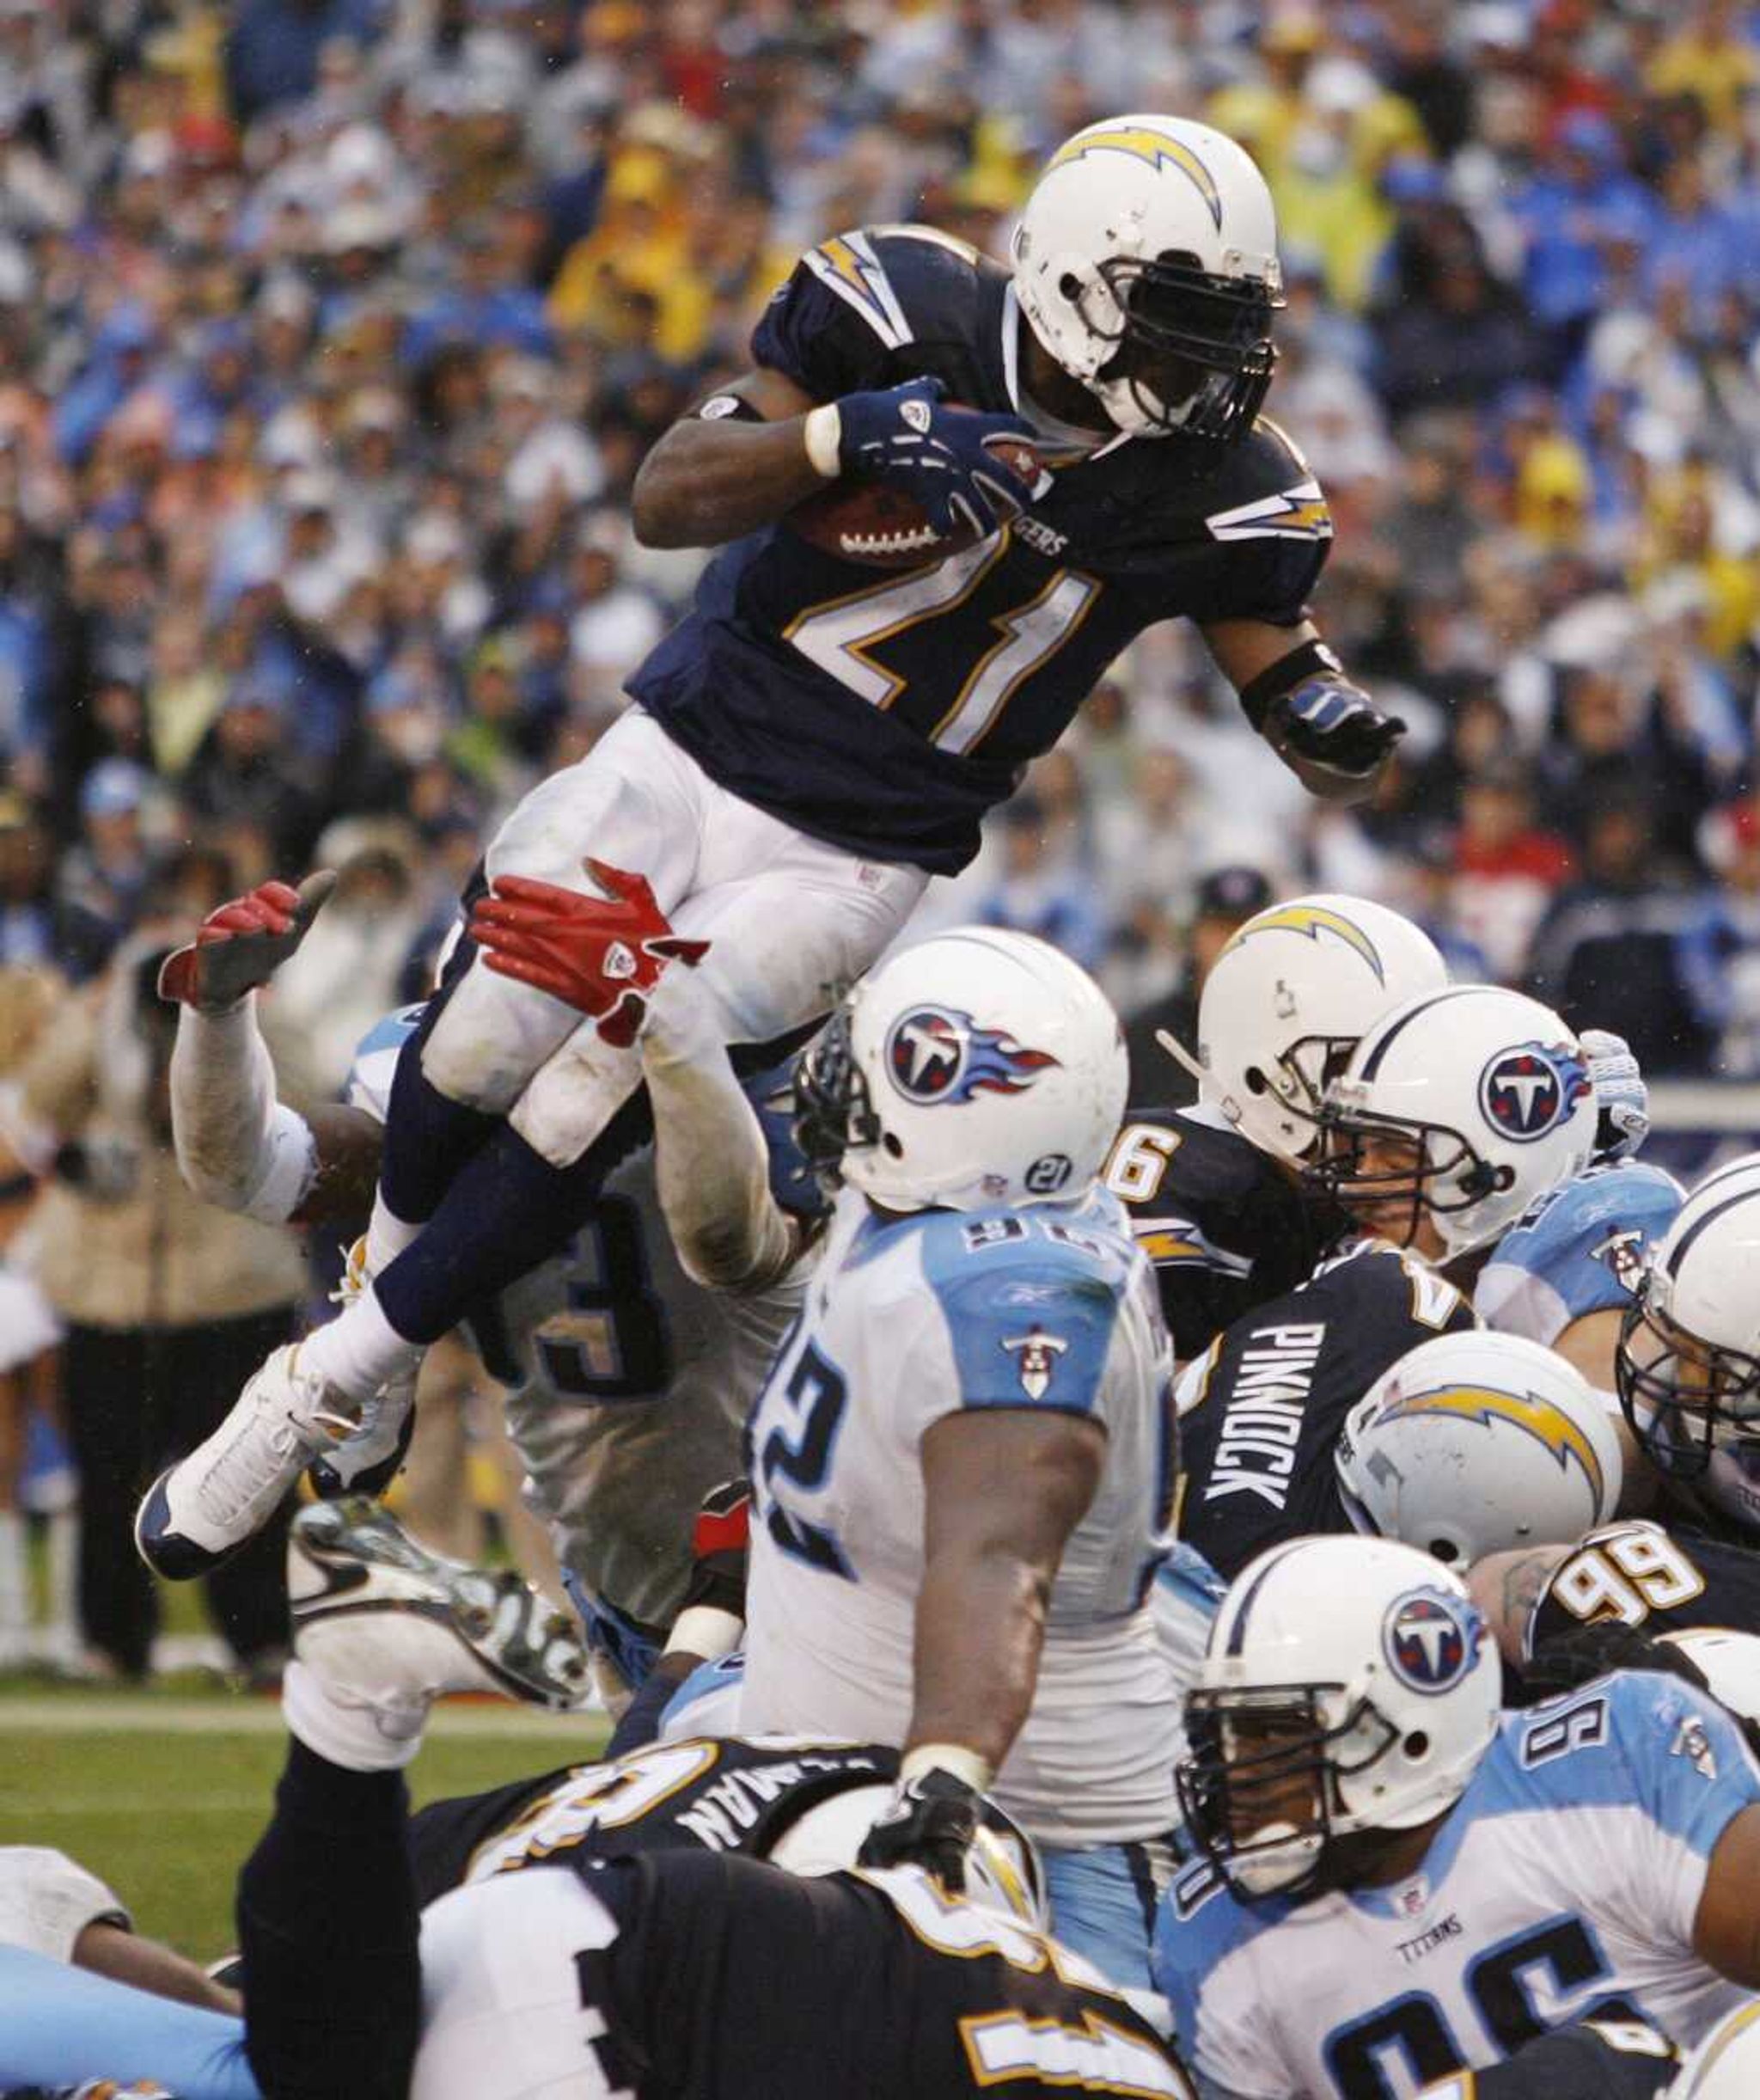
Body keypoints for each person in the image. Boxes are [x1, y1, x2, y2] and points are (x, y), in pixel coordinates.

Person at [135, 112, 1405, 1586]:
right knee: (485, 1024)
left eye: (1227, 331)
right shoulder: (902, 311)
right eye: (1180, 324)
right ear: (1070, 281)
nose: (1211, 367)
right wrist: (844, 436)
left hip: (855, 850)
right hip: (683, 744)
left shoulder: (1221, 481)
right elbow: (668, 495)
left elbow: (1275, 647)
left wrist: (1316, 713)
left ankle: (321, 1380)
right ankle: (379, 1350)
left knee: (633, 1023)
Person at [1, 1501, 1199, 2100]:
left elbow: (663, 1709)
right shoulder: (916, 1850)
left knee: (271, 2046)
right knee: (286, 2061)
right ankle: (345, 1716)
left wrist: (713, 1600)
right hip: (588, 1929)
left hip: (534, 1877)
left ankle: (339, 1724)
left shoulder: (778, 1754)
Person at [140, 871, 821, 1709]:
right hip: (617, 1574)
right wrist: (216, 1016)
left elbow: (740, 1249)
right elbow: (245, 1170)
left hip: (798, 1558)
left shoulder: (743, 1075)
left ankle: (328, 1380)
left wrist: (664, 1042)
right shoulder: (430, 1088)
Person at [729, 927, 1177, 1987]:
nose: (836, 1074)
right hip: (824, 1775)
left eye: (871, 1051)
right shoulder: (919, 1207)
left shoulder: (1014, 1287)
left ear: (944, 1087)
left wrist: (942, 1779)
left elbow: (997, 1555)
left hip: (1022, 1834)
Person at [1155, 1534, 1760, 2099]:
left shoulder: (1618, 1763)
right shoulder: (1210, 1934)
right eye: (1229, 1735)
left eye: (1275, 1733)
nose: (1241, 1777)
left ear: (1414, 1730)